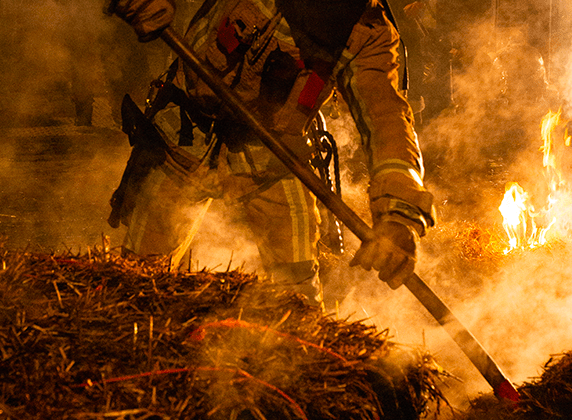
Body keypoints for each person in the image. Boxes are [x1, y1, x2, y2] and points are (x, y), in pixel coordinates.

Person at [107, 0, 436, 306]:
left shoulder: (367, 29)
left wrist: (399, 215)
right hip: (183, 140)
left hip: (272, 160)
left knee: (297, 300)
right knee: (139, 284)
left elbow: (386, 120)